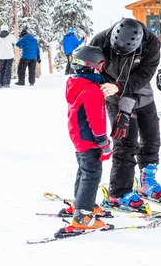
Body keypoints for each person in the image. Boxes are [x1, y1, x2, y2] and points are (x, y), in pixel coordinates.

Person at [89, 18, 161, 208]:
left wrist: (119, 86)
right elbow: (91, 70)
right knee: (126, 142)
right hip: (113, 96)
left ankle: (147, 181)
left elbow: (145, 75)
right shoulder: (100, 41)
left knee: (152, 138)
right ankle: (119, 192)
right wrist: (108, 88)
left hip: (141, 94)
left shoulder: (151, 44)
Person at [62, 46, 113, 232]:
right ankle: (82, 215)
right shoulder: (92, 89)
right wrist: (103, 143)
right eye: (100, 65)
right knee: (92, 174)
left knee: (84, 170)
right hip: (89, 139)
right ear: (90, 66)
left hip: (79, 137)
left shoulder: (76, 83)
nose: (102, 69)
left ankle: (82, 203)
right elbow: (96, 119)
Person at [0, 24, 18, 88]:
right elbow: (16, 43)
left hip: (0, 56)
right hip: (9, 56)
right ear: (7, 29)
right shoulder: (11, 36)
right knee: (8, 70)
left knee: (1, 70)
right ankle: (6, 83)